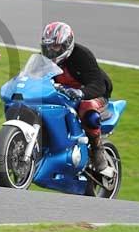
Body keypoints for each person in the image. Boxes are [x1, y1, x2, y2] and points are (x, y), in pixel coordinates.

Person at [40, 22, 115, 178]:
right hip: (66, 93)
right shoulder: (44, 59)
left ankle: (97, 151)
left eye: (55, 47)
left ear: (67, 44)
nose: (51, 51)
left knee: (87, 108)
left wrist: (80, 93)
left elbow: (98, 84)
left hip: (94, 94)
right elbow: (34, 78)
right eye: (47, 47)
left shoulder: (82, 55)